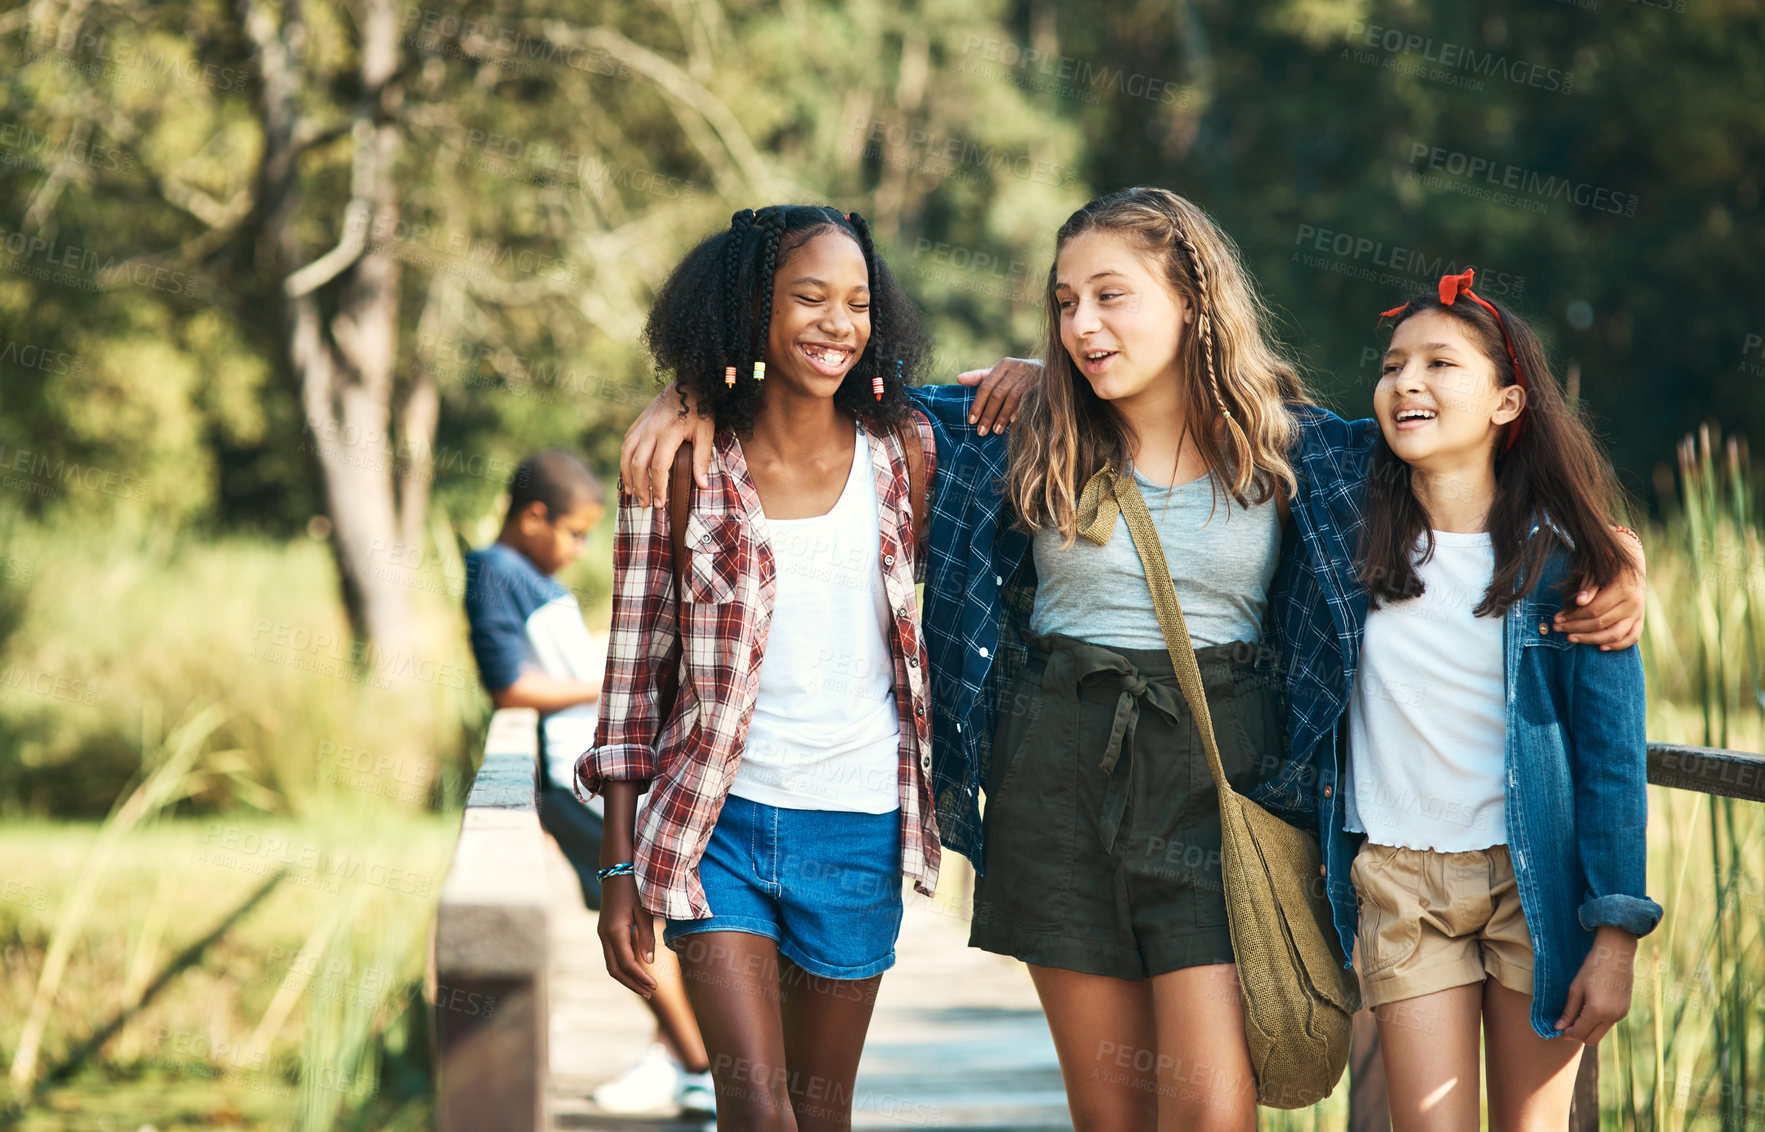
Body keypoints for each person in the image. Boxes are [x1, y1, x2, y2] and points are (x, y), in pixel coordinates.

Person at [616, 188, 1648, 1128]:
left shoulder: (1299, 449)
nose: (1082, 326)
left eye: (1111, 296)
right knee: (1107, 1115)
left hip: (1217, 779)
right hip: (1052, 777)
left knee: (1208, 1111)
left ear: (1192, 297)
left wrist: (1608, 551)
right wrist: (695, 394)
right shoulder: (1013, 432)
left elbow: (1459, 450)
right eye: (1064, 303)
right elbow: (831, 406)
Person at [578, 204, 940, 1132]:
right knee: (753, 1106)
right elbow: (631, 679)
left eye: (857, 303)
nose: (838, 324)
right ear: (751, 310)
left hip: (858, 824)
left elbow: (1028, 408)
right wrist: (618, 864)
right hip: (716, 823)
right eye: (809, 298)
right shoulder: (683, 463)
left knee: (822, 1115)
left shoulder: (905, 453)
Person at [1334, 273, 1659, 1131]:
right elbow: (1245, 414)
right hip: (1403, 880)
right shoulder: (1343, 531)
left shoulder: (1570, 566)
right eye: (1392, 364)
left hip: (1537, 880)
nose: (1407, 381)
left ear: (1507, 401)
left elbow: (1612, 761)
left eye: (1440, 364)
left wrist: (1616, 936)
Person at [463, 450, 712, 1117]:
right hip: (568, 776)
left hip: (600, 770)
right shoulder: (494, 571)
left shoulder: (533, 577)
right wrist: (612, 684)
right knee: (635, 919)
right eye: (573, 532)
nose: (578, 548)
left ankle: (681, 1060)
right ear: (533, 516)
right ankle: (698, 1064)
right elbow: (510, 686)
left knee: (658, 914)